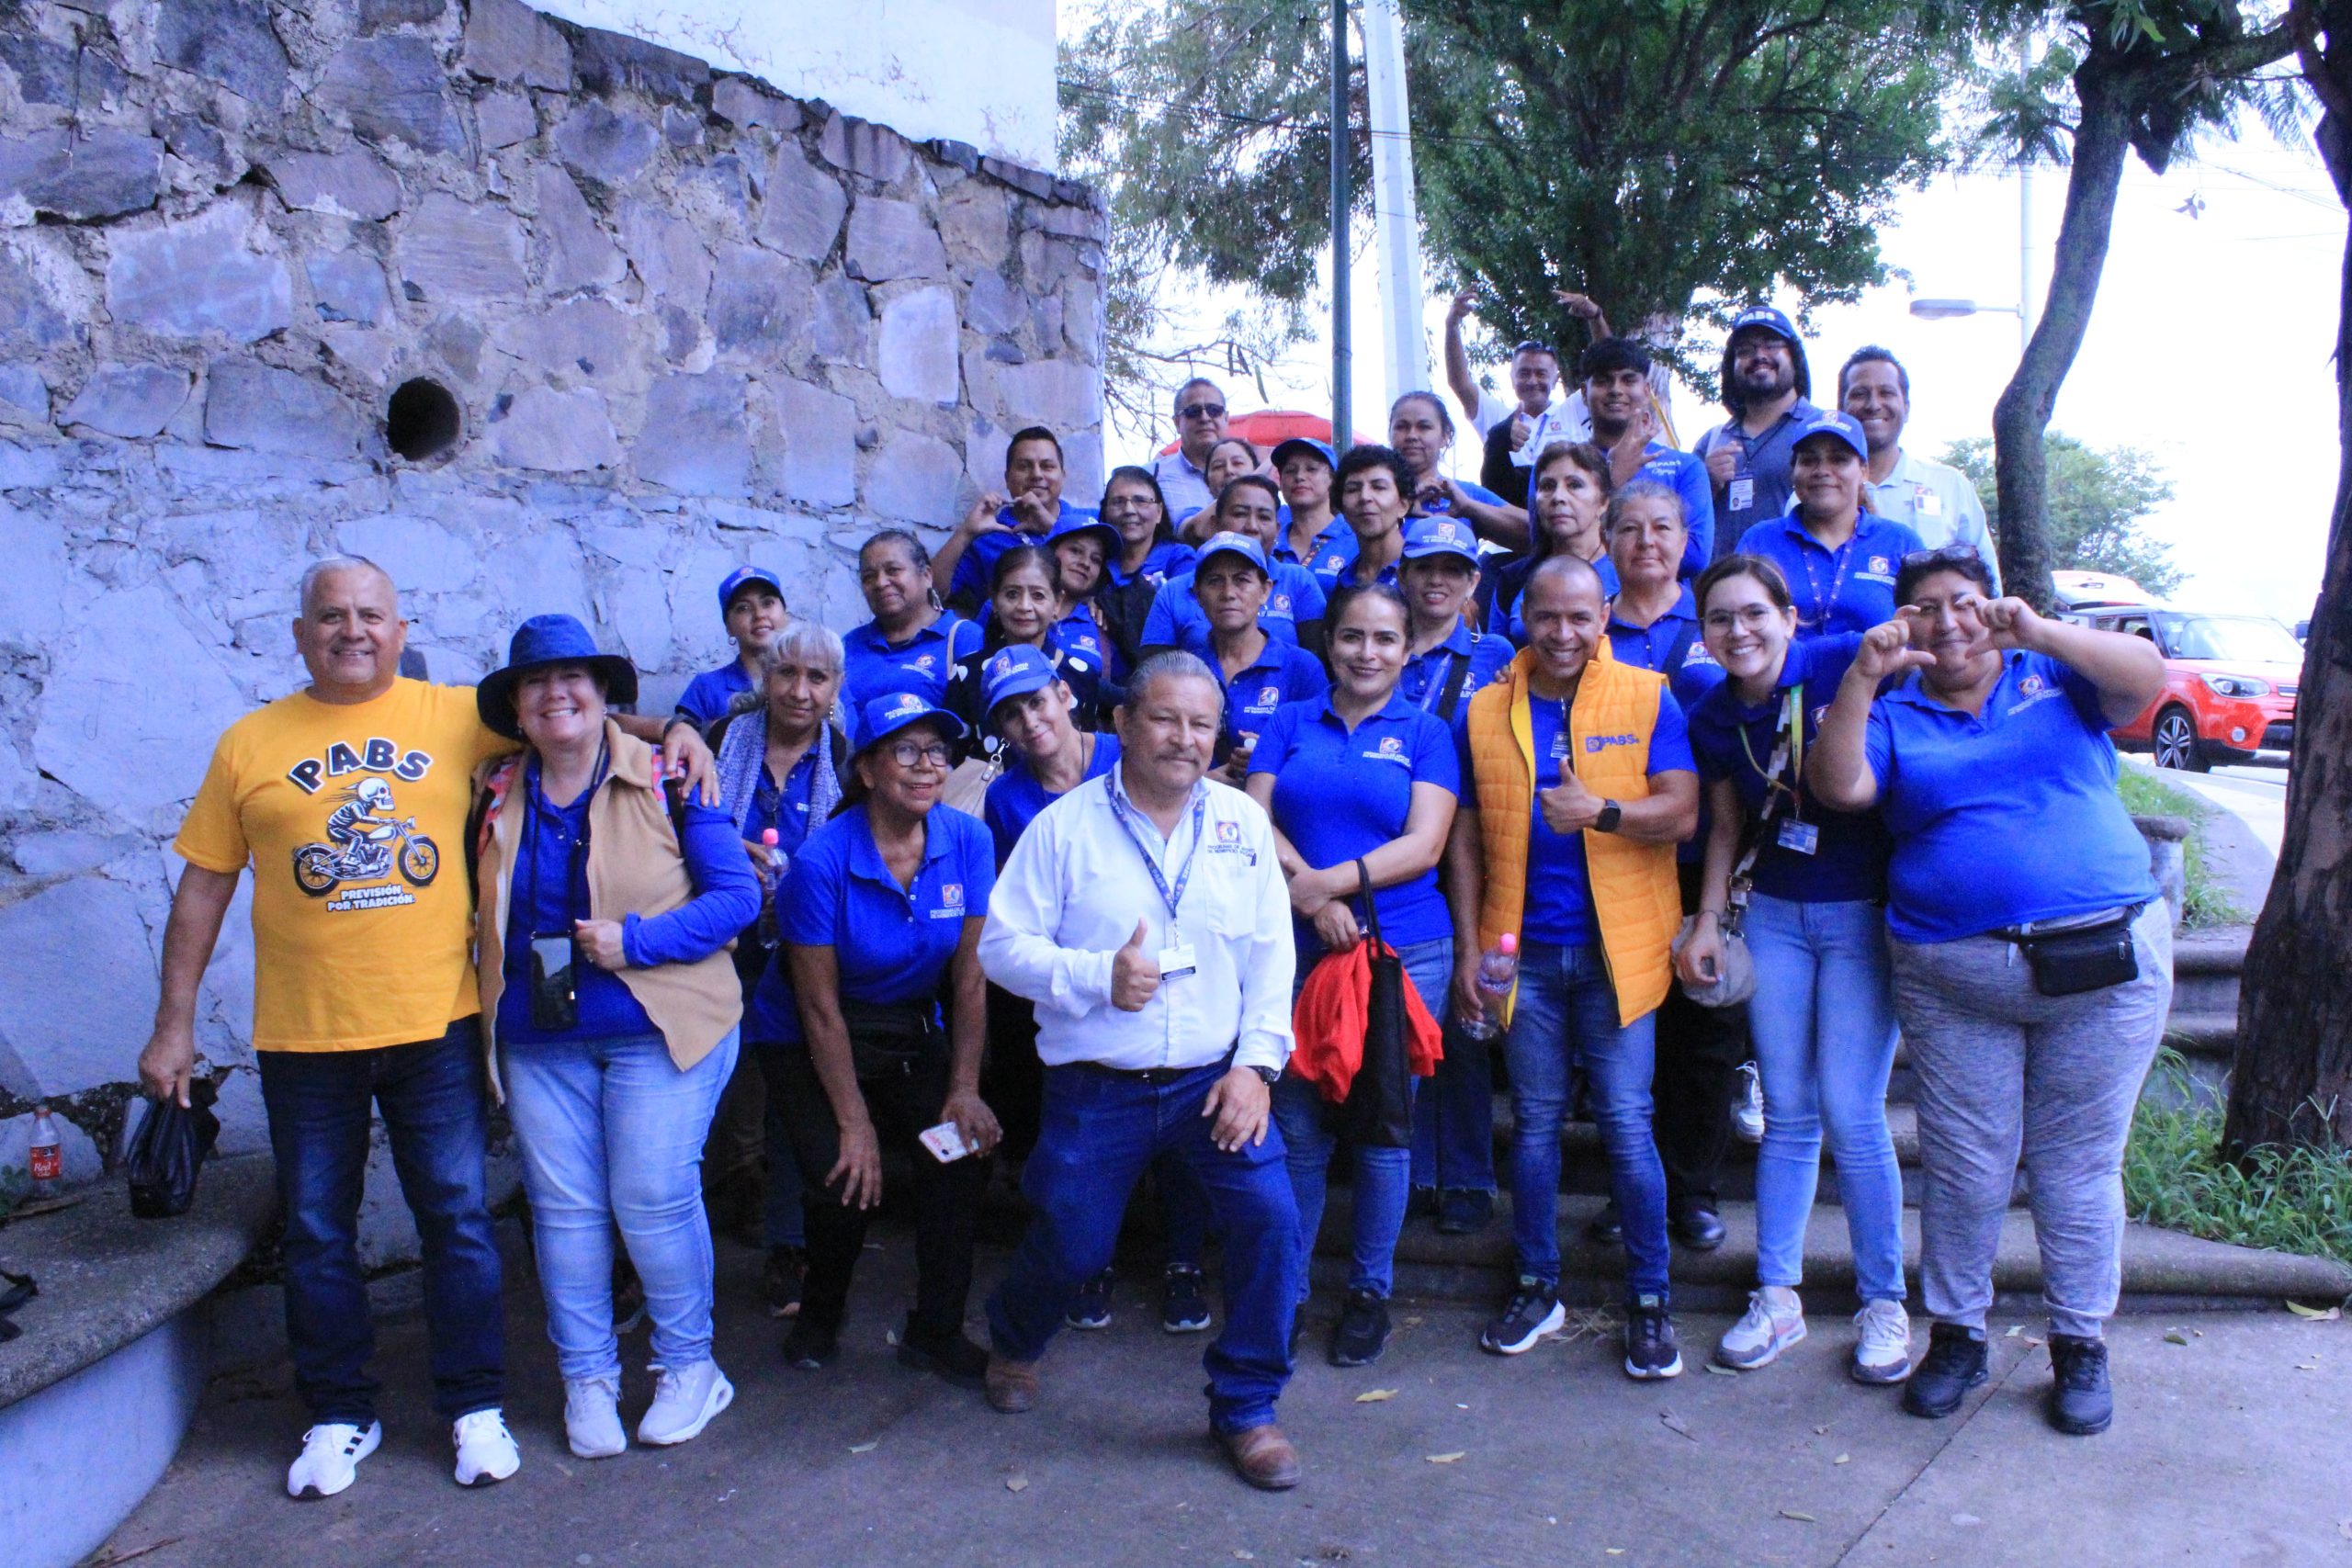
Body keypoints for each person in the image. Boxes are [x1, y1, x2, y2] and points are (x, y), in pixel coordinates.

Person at [138, 556, 715, 1500]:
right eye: (331, 615)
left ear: (400, 631)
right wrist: (173, 1024)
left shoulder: (453, 715)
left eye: (370, 614)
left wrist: (677, 729)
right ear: (301, 634)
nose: (352, 630)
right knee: (317, 1232)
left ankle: (474, 1405)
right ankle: (339, 1413)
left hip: (437, 1025)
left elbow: (572, 716)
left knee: (456, 1220)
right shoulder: (247, 742)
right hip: (302, 1035)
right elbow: (204, 885)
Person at [1806, 546, 2172, 1438]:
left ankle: (2079, 1341)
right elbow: (1839, 785)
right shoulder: (1893, 713)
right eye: (1926, 607)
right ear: (1904, 623)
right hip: (1955, 978)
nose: (1949, 621)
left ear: (1995, 604)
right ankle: (1959, 1335)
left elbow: (2145, 680)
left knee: (2076, 1167)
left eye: (1965, 601)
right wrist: (1861, 674)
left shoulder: (2056, 676)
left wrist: (2039, 631)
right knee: (1966, 1167)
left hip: (2102, 966)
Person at [977, 652, 1306, 1492]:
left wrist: (1257, 1067)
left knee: (1271, 1220)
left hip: (1212, 1082)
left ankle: (1247, 1406)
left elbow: (1272, 956)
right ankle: (1015, 1335)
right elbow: (1000, 947)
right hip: (1098, 1085)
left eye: (1202, 724)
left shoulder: (1240, 823)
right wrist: (1097, 975)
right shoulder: (1063, 827)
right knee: (1074, 1242)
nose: (1184, 739)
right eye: (1165, 718)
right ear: (1121, 722)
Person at [469, 614, 759, 1458]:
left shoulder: (670, 773)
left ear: (604, 695)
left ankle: (690, 1365)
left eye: (575, 678)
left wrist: (637, 941)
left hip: (660, 1022)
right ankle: (587, 1377)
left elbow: (738, 898)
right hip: (538, 1034)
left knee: (651, 1194)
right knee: (564, 1212)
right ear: (515, 706)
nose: (555, 694)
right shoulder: (489, 785)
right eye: (535, 681)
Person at [1445, 555, 1698, 1378]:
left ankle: (1651, 1298)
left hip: (1619, 952)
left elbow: (1683, 812)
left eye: (1579, 617)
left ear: (1604, 617)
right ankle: (1536, 1283)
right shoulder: (1486, 707)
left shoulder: (1648, 694)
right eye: (1546, 616)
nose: (1562, 633)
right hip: (1523, 954)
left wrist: (1603, 811)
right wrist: (1469, 946)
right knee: (1535, 1125)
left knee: (1627, 1123)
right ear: (1523, 616)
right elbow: (1465, 837)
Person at [1677, 557, 1912, 1384]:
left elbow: (1921, 689)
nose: (1738, 631)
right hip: (1775, 914)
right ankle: (1777, 1294)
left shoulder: (1842, 659)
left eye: (1754, 613)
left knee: (1853, 1108)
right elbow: (1725, 826)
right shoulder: (1712, 711)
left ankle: (1885, 1300)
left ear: (1789, 616)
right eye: (1720, 618)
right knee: (1787, 1109)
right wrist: (1707, 919)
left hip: (1861, 912)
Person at [759, 691, 1001, 1382]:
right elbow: (817, 1007)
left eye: (937, 751)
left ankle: (936, 1331)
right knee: (845, 1174)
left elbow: (971, 980)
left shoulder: (968, 840)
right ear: (866, 769)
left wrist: (964, 1088)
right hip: (810, 1034)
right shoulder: (821, 861)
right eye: (906, 750)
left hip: (906, 1026)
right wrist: (855, 1122)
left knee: (959, 1156)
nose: (928, 766)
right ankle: (819, 1315)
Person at [1246, 584, 1459, 1366]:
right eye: (1352, 637)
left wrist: (1325, 885)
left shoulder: (1427, 732)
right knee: (1298, 1130)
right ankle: (1290, 1287)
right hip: (1298, 950)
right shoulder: (1290, 720)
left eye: (1385, 639)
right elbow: (1253, 818)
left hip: (1401, 954)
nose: (1367, 653)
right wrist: (1315, 898)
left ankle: (1370, 1292)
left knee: (1381, 1133)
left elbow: (1425, 844)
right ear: (1329, 643)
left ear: (1407, 650)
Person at [1592, 480, 1737, 1254]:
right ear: (1607, 540)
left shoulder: (1715, 620)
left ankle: (1693, 1188)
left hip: (1702, 856)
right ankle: (1631, 1187)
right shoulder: (1587, 625)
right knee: (1625, 1034)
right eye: (1630, 528)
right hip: (1614, 861)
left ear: (1686, 540)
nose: (1646, 541)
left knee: (1703, 1035)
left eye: (1662, 528)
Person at [710, 623, 853, 1321]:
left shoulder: (847, 758)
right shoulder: (721, 742)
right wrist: (722, 848)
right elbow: (678, 824)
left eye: (817, 678)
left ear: (835, 688)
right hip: (722, 944)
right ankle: (692, 1230)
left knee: (796, 1092)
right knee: (713, 1086)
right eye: (787, 673)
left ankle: (787, 1246)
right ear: (765, 677)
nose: (800, 690)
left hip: (805, 946)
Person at [1735, 411, 1927, 637]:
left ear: (1864, 471)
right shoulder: (1760, 540)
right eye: (1809, 461)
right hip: (1779, 663)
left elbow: (1923, 631)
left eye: (1838, 459)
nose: (1822, 471)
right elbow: (1736, 622)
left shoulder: (1901, 542)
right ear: (1793, 472)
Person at [1838, 346, 2003, 592]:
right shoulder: (1816, 490)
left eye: (1886, 392)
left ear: (1906, 408)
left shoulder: (1949, 485)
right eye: (1860, 394)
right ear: (1841, 410)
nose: (1873, 405)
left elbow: (1987, 582)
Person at [1185, 532, 1330, 785]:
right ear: (1198, 594)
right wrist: (1203, 782)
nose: (1228, 593)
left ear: (1265, 591)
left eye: (1242, 580)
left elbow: (1324, 757)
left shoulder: (1301, 668)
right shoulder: (1184, 669)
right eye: (1215, 581)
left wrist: (1273, 757)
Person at [1138, 478, 1329, 660]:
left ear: (1277, 529)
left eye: (1264, 517)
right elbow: (1154, 669)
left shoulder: (1298, 581)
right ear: (1215, 524)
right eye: (1239, 514)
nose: (1252, 526)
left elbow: (1319, 659)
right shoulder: (1173, 591)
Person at [946, 545, 1108, 751]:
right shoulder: (967, 673)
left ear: (1057, 603)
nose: (1024, 606)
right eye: (1012, 594)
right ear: (994, 601)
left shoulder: (1081, 674)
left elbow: (1085, 752)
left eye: (1038, 595)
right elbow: (953, 753)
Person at [1692, 306, 1823, 557]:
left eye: (1771, 345)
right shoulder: (1712, 441)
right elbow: (1679, 522)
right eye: (1745, 350)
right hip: (1720, 579)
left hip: (1793, 579)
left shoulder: (1821, 430)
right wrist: (1704, 483)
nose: (1759, 356)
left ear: (1794, 357)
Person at [1579, 337, 1714, 575]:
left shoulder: (1684, 467)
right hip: (1580, 596)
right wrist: (1613, 479)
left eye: (1628, 380)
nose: (1616, 390)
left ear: (1646, 390)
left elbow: (1695, 555)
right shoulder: (1559, 466)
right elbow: (1550, 548)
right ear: (1583, 393)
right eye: (1603, 381)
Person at [936, 426, 1092, 614]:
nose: (1036, 474)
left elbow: (1115, 584)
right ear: (1007, 478)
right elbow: (933, 594)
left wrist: (1051, 527)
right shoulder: (989, 537)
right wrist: (965, 533)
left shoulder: (1091, 523)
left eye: (1047, 466)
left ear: (1062, 476)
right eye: (1024, 466)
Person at [842, 529, 983, 712]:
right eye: (869, 576)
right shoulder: (849, 645)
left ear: (926, 576)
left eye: (893, 570)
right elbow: (832, 714)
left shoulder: (963, 638)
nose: (880, 583)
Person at [1491, 441, 1618, 640]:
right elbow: (1496, 653)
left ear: (1603, 502)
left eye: (1574, 485)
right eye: (1547, 486)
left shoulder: (1628, 574)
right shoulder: (1514, 580)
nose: (1558, 497)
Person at [1396, 516, 1512, 717]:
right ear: (1402, 578)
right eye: (1423, 567)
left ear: (1473, 583)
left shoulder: (1495, 653)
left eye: (1451, 570)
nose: (1436, 580)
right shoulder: (1377, 649)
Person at [1093, 466, 1198, 685]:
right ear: (1105, 511)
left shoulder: (1179, 558)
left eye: (1141, 501)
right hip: (1104, 688)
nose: (1129, 510)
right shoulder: (1096, 562)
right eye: (1118, 502)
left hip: (1165, 680)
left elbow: (1183, 620)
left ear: (1159, 512)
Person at [1387, 389, 1529, 549]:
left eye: (1424, 427)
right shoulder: (1372, 491)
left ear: (1445, 436)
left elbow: (1537, 533)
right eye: (1401, 427)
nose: (1412, 435)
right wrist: (1405, 504)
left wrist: (1469, 507)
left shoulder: (1464, 494)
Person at [674, 566, 788, 728]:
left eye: (767, 603)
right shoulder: (706, 688)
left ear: (785, 612)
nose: (759, 614)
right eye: (743, 608)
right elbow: (682, 735)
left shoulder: (807, 679)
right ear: (728, 627)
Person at [1328, 443, 1416, 592]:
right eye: (1352, 489)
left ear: (1403, 505)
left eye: (1379, 487)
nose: (1364, 497)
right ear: (1342, 508)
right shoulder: (1344, 581)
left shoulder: (1420, 572)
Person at [1272, 435, 1351, 581]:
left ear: (1332, 479)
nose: (1299, 477)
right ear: (1281, 482)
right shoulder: (1270, 540)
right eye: (1290, 470)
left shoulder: (1355, 539)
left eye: (1311, 469)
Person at [1152, 377, 1229, 518]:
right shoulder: (1153, 475)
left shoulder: (1248, 473)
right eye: (1193, 411)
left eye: (1213, 410)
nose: (1205, 418)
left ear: (1226, 418)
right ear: (1177, 423)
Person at [1175, 436, 1266, 541]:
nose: (1229, 470)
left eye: (1238, 463)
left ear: (1255, 469)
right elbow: (1194, 531)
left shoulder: (1279, 514)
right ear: (1207, 483)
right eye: (1218, 466)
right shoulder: (1192, 513)